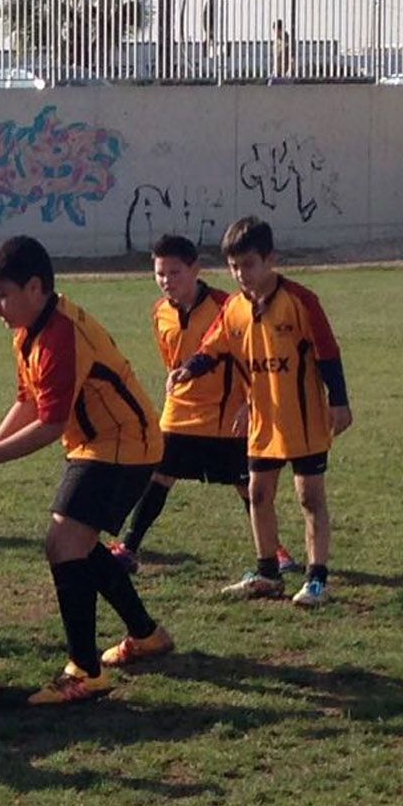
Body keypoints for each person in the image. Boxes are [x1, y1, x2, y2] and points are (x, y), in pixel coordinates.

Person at [0, 235, 173, 705]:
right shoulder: (31, 331)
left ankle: (85, 672)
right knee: (77, 545)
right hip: (99, 444)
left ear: (35, 288)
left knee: (63, 543)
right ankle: (146, 635)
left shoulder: (61, 333)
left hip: (122, 445)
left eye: (2, 294)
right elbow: (28, 401)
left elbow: (50, 424)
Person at [171, 217, 349, 607]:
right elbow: (212, 348)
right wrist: (189, 369)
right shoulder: (234, 307)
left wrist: (339, 401)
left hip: (303, 420)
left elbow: (328, 354)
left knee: (309, 498)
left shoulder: (301, 301)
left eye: (249, 264)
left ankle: (317, 579)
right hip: (263, 420)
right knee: (258, 492)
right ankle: (268, 573)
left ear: (271, 259)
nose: (241, 274)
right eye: (234, 266)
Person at [110, 234, 296, 578]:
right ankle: (129, 548)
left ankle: (278, 552)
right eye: (160, 274)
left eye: (175, 273)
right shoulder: (159, 312)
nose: (167, 281)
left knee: (247, 486)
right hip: (180, 413)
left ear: (195, 269)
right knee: (159, 476)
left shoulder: (227, 307)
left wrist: (249, 403)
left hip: (227, 413)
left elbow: (249, 359)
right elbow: (173, 362)